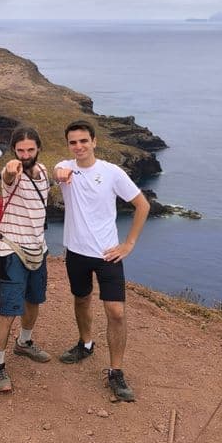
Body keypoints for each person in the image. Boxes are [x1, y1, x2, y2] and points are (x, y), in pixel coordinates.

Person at [54, 119, 150, 402]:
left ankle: (116, 371)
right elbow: (57, 170)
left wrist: (129, 244)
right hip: (75, 252)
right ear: (68, 146)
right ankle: (85, 344)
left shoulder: (111, 172)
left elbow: (142, 204)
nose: (79, 146)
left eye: (84, 141)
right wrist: (60, 173)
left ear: (94, 141)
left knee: (116, 312)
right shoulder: (65, 167)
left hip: (108, 255)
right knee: (81, 300)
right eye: (73, 142)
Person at [0, 126, 51, 393]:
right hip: (12, 250)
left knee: (34, 300)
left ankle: (24, 343)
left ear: (38, 149)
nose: (25, 155)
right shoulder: (11, 175)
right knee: (9, 311)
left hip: (39, 248)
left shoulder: (44, 172)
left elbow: (40, 177)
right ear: (13, 150)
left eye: (30, 150)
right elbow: (8, 174)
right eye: (20, 150)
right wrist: (10, 169)